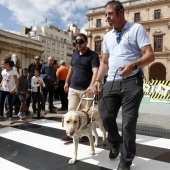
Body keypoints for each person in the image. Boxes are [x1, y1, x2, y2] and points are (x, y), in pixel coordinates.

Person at [92, 1, 155, 170]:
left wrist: (133, 66)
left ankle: (125, 161)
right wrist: (98, 80)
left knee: (128, 123)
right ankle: (115, 142)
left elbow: (150, 55)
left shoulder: (136, 29)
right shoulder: (108, 36)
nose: (106, 17)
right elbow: (104, 62)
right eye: (105, 14)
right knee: (105, 116)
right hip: (111, 82)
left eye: (110, 14)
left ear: (120, 12)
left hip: (132, 81)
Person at [60, 33, 100, 142]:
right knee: (71, 113)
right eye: (76, 42)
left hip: (87, 90)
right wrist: (66, 82)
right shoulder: (75, 54)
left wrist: (92, 85)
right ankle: (70, 134)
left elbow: (95, 71)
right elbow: (71, 69)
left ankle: (85, 135)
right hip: (73, 88)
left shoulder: (93, 55)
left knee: (86, 114)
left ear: (86, 42)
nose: (78, 44)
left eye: (81, 42)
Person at [0, 57, 19, 124]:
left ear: (7, 64)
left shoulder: (13, 72)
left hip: (10, 90)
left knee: (9, 104)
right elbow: (3, 79)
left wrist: (14, 89)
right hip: (2, 89)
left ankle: (10, 117)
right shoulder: (3, 71)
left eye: (3, 64)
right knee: (1, 103)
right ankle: (1, 115)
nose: (2, 65)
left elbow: (17, 81)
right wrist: (1, 84)